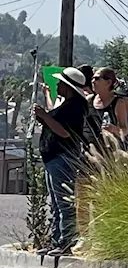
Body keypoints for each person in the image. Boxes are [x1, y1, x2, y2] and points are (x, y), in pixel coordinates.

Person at [32, 67, 89, 255]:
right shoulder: (68, 105)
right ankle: (57, 240)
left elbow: (65, 132)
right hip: (54, 156)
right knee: (56, 202)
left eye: (61, 83)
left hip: (62, 156)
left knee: (63, 201)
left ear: (68, 86)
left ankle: (65, 242)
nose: (57, 85)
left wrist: (45, 116)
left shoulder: (75, 107)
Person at [90, 68, 128, 151]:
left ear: (108, 82)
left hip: (108, 151)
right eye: (92, 78)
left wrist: (114, 129)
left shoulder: (118, 102)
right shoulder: (89, 100)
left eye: (97, 79)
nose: (93, 81)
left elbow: (125, 130)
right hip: (88, 149)